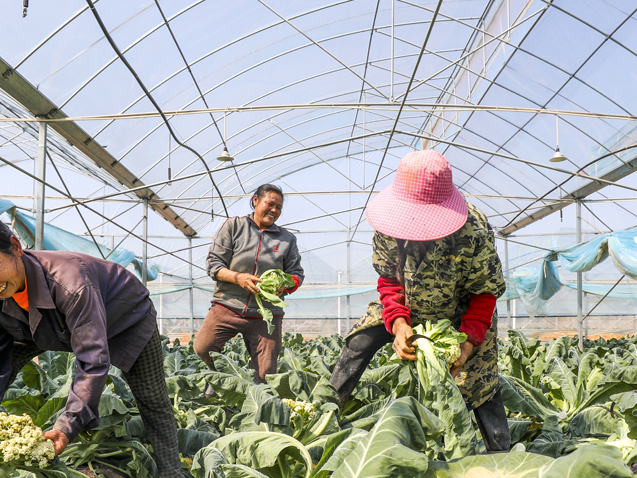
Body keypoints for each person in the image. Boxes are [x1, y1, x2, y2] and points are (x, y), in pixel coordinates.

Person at [0, 212, 186, 478]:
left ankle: (173, 476)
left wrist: (68, 425)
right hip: (40, 327)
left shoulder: (72, 284)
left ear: (15, 246)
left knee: (152, 398)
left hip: (124, 319)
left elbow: (92, 360)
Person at [329, 150, 510, 453]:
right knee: (359, 341)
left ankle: (500, 454)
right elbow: (389, 280)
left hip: (460, 313)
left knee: (480, 380)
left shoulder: (474, 229)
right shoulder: (388, 223)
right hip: (407, 306)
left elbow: (484, 292)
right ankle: (326, 415)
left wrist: (467, 343)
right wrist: (399, 325)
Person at [194, 184, 305, 383]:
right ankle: (223, 377)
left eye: (278, 207)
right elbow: (214, 264)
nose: (274, 210)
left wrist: (284, 285)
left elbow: (296, 274)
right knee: (203, 347)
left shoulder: (287, 239)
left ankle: (255, 399)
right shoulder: (234, 226)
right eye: (270, 204)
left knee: (266, 374)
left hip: (266, 314)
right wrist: (239, 278)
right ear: (255, 200)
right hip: (228, 304)